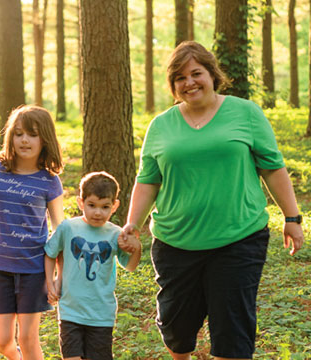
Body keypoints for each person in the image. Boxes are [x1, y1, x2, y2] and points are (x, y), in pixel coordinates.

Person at [121, 41, 304, 360]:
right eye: (180, 77)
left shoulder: (245, 113)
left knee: (232, 331)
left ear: (212, 74)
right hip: (175, 242)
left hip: (238, 238)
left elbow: (272, 169)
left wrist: (292, 218)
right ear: (173, 85)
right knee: (177, 331)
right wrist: (132, 224)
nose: (189, 82)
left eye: (196, 73)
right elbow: (148, 181)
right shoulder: (161, 126)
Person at [0, 104, 64, 360]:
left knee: (27, 338)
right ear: (10, 136)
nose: (24, 140)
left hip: (34, 269)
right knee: (2, 342)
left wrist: (58, 274)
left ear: (44, 139)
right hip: (1, 268)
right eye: (19, 133)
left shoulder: (49, 181)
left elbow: (59, 230)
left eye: (33, 134)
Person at [45, 171, 141, 360]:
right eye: (92, 205)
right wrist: (51, 283)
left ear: (115, 206)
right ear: (81, 202)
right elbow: (50, 254)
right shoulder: (68, 228)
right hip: (70, 311)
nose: (98, 212)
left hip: (101, 314)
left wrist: (136, 249)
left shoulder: (116, 234)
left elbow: (129, 266)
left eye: (105, 207)